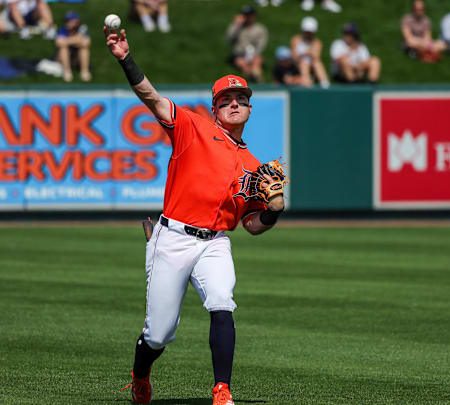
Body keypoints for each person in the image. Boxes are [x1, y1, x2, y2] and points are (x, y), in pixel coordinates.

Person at [104, 23, 286, 405]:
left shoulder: (254, 166)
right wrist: (125, 59)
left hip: (215, 243)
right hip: (172, 237)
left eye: (241, 98)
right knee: (159, 334)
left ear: (250, 108)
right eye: (226, 99)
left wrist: (273, 211)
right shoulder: (193, 127)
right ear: (214, 108)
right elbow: (151, 98)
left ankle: (222, 390)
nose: (234, 103)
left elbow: (252, 226)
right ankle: (140, 374)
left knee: (222, 302)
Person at [226, 5, 268, 83]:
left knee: (257, 63)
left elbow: (261, 44)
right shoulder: (238, 27)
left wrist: (254, 54)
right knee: (243, 64)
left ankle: (260, 82)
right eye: (245, 15)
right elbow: (230, 39)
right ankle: (248, 81)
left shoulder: (260, 29)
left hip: (254, 53)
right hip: (239, 54)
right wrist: (237, 25)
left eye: (249, 15)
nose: (248, 17)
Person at [291, 16, 329, 88]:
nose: (308, 34)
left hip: (312, 65)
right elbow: (295, 58)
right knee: (304, 63)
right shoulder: (295, 40)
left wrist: (306, 53)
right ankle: (307, 83)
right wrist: (307, 53)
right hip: (298, 65)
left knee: (317, 63)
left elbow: (316, 57)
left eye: (310, 32)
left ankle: (325, 83)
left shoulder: (317, 42)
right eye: (306, 32)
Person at [55, 11, 91, 82]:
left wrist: (67, 41)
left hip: (76, 57)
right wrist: (77, 40)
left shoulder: (82, 29)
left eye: (70, 20)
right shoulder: (62, 30)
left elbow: (86, 42)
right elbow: (59, 43)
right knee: (64, 48)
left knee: (84, 49)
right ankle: (67, 72)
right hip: (62, 58)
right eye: (67, 20)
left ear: (77, 22)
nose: (67, 22)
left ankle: (84, 72)